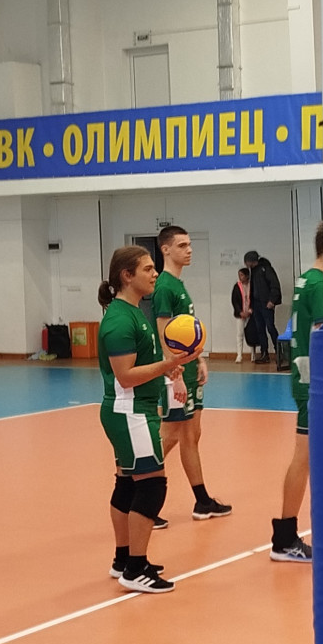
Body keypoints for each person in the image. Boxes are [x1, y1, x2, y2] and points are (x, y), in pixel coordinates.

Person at [97, 246, 199, 592]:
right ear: (127, 276)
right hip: (130, 412)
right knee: (152, 484)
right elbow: (125, 376)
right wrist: (168, 364)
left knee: (127, 483)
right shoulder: (119, 320)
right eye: (147, 269)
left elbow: (140, 365)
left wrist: (167, 371)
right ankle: (136, 568)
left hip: (133, 410)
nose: (155, 274)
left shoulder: (135, 311)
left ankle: (123, 559)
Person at [152, 225, 232, 521]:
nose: (189, 250)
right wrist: (174, 372)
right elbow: (164, 335)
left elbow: (186, 333)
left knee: (191, 434)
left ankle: (202, 501)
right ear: (166, 249)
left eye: (189, 244)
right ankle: (140, 500)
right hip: (176, 373)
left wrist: (198, 360)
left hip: (188, 368)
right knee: (170, 435)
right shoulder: (164, 287)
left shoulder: (178, 284)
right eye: (182, 245)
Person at [271, 222, 323, 563]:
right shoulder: (320, 284)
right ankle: (284, 538)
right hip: (315, 382)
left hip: (307, 378)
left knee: (311, 458)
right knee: (303, 457)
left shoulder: (307, 279)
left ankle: (295, 533)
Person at [244, 250, 283, 365]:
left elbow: (275, 285)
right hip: (257, 304)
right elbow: (253, 289)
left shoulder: (266, 269)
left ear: (251, 261)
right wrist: (251, 305)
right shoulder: (253, 271)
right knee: (260, 329)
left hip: (266, 304)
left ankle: (279, 352)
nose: (246, 264)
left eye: (247, 262)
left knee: (270, 328)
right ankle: (264, 353)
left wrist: (272, 300)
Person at [231, 266, 251, 363]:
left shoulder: (252, 285)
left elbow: (254, 298)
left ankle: (253, 354)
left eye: (242, 275)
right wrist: (240, 312)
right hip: (241, 314)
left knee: (251, 333)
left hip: (250, 313)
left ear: (247, 276)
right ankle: (239, 355)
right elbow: (234, 301)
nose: (240, 277)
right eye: (239, 275)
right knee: (240, 334)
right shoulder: (237, 286)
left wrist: (250, 310)